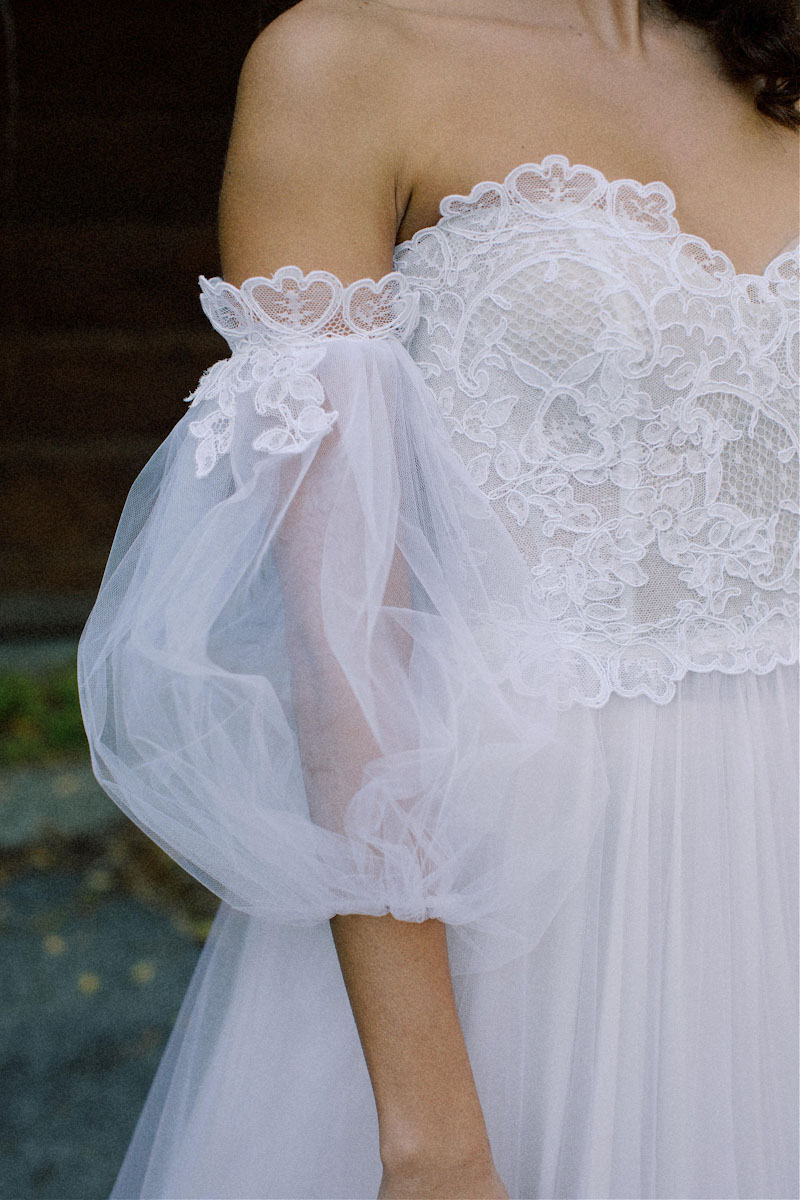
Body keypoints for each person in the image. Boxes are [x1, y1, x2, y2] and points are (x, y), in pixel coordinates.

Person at [77, 1, 800, 1197]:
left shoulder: (772, 52)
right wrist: (426, 1130)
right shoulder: (347, 59)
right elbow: (339, 639)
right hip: (522, 898)